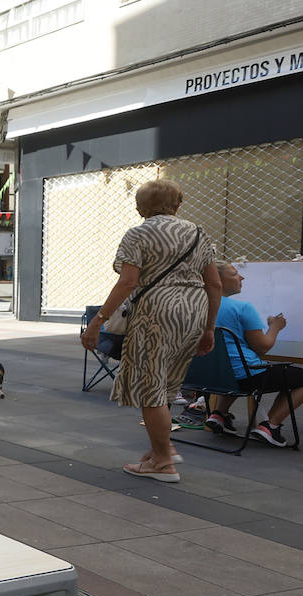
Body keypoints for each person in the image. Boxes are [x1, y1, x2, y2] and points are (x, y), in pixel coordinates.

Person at [80, 178, 220, 481]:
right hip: (194, 311)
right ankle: (163, 448)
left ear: (140, 207)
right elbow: (215, 283)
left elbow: (128, 281)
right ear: (177, 204)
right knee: (167, 385)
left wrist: (98, 320)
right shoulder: (198, 233)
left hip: (156, 311)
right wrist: (209, 327)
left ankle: (163, 463)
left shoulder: (138, 234)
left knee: (150, 389)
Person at [204, 261, 302, 447]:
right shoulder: (242, 308)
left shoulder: (194, 305)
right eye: (234, 274)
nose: (242, 277)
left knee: (234, 366)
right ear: (218, 280)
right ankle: (270, 426)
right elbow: (262, 347)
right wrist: (275, 327)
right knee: (250, 369)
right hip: (243, 377)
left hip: (206, 377)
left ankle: (219, 415)